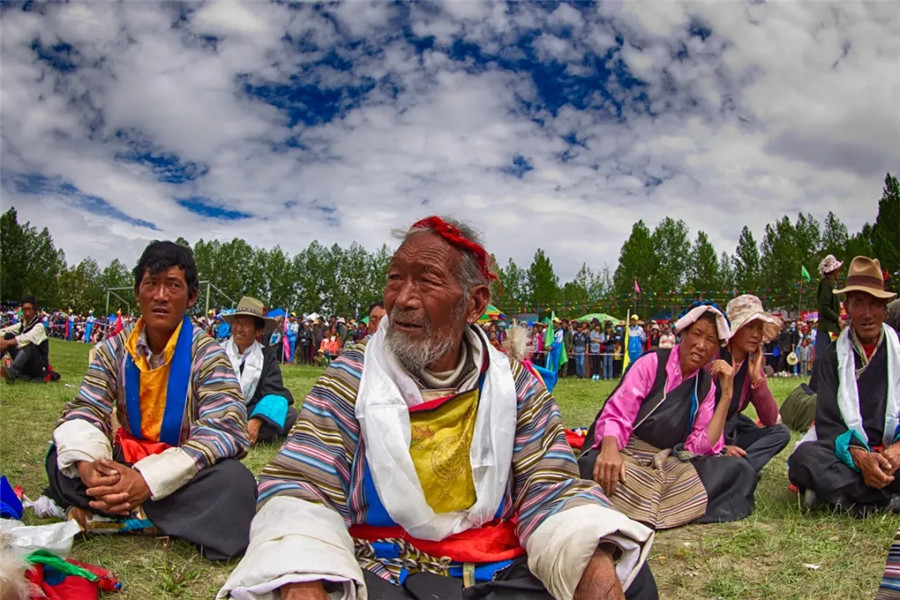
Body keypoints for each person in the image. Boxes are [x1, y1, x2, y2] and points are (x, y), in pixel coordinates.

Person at [220, 216, 657, 600]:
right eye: (395, 279)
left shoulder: (514, 382)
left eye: (426, 280)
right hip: (381, 571)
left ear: (475, 304)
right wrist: (304, 576)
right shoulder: (352, 375)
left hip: (495, 571)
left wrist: (590, 560)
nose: (403, 299)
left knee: (615, 569)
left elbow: (552, 485)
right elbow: (301, 485)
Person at [44, 241, 257, 560]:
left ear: (192, 297)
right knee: (60, 455)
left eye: (173, 285)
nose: (160, 296)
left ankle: (111, 517)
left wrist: (148, 480)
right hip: (124, 462)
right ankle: (143, 515)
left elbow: (226, 429)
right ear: (137, 291)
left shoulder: (209, 355)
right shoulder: (112, 349)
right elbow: (87, 409)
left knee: (235, 485)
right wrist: (90, 467)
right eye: (151, 284)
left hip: (182, 472)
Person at [578, 303, 757, 529]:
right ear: (683, 334)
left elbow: (699, 448)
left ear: (716, 350)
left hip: (668, 463)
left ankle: (638, 504)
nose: (701, 345)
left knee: (740, 471)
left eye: (710, 340)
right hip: (628, 456)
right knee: (592, 466)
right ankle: (671, 506)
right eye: (697, 334)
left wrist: (727, 395)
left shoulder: (705, 387)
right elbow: (617, 413)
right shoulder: (652, 363)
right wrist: (610, 450)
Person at [788, 256, 899, 516]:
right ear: (846, 307)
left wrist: (897, 451)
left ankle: (846, 498)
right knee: (805, 460)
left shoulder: (899, 350)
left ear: (885, 308)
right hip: (849, 452)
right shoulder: (831, 356)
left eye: (875, 303)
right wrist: (861, 458)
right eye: (859, 303)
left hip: (892, 452)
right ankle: (886, 501)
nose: (868, 313)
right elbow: (828, 422)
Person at [718, 295, 791, 474]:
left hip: (731, 428)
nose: (756, 335)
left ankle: (740, 469)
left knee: (781, 433)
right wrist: (722, 447)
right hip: (707, 431)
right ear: (734, 330)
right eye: (749, 327)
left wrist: (757, 378)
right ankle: (729, 462)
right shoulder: (715, 359)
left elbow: (770, 419)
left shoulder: (751, 368)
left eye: (759, 328)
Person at [223, 296, 299, 446]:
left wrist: (257, 420)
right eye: (237, 323)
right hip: (218, 409)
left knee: (289, 415)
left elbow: (273, 393)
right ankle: (238, 432)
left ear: (258, 331)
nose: (238, 329)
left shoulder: (266, 355)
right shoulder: (217, 351)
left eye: (245, 324)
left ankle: (240, 432)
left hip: (249, 411)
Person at [1, 295, 53, 384]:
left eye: (29, 309)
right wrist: (2, 339)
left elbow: (26, 338)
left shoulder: (39, 327)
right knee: (8, 335)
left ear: (35, 311)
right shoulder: (22, 324)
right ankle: (16, 372)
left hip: (38, 368)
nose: (27, 313)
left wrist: (6, 343)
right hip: (26, 365)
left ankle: (13, 372)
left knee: (29, 344)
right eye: (25, 309)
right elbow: (4, 330)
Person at [810, 254, 844, 390]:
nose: (839, 272)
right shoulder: (826, 285)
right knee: (823, 358)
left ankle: (826, 386)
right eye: (837, 269)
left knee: (830, 358)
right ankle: (814, 387)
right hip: (827, 328)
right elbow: (824, 307)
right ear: (832, 271)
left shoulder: (830, 285)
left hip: (831, 328)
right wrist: (838, 318)